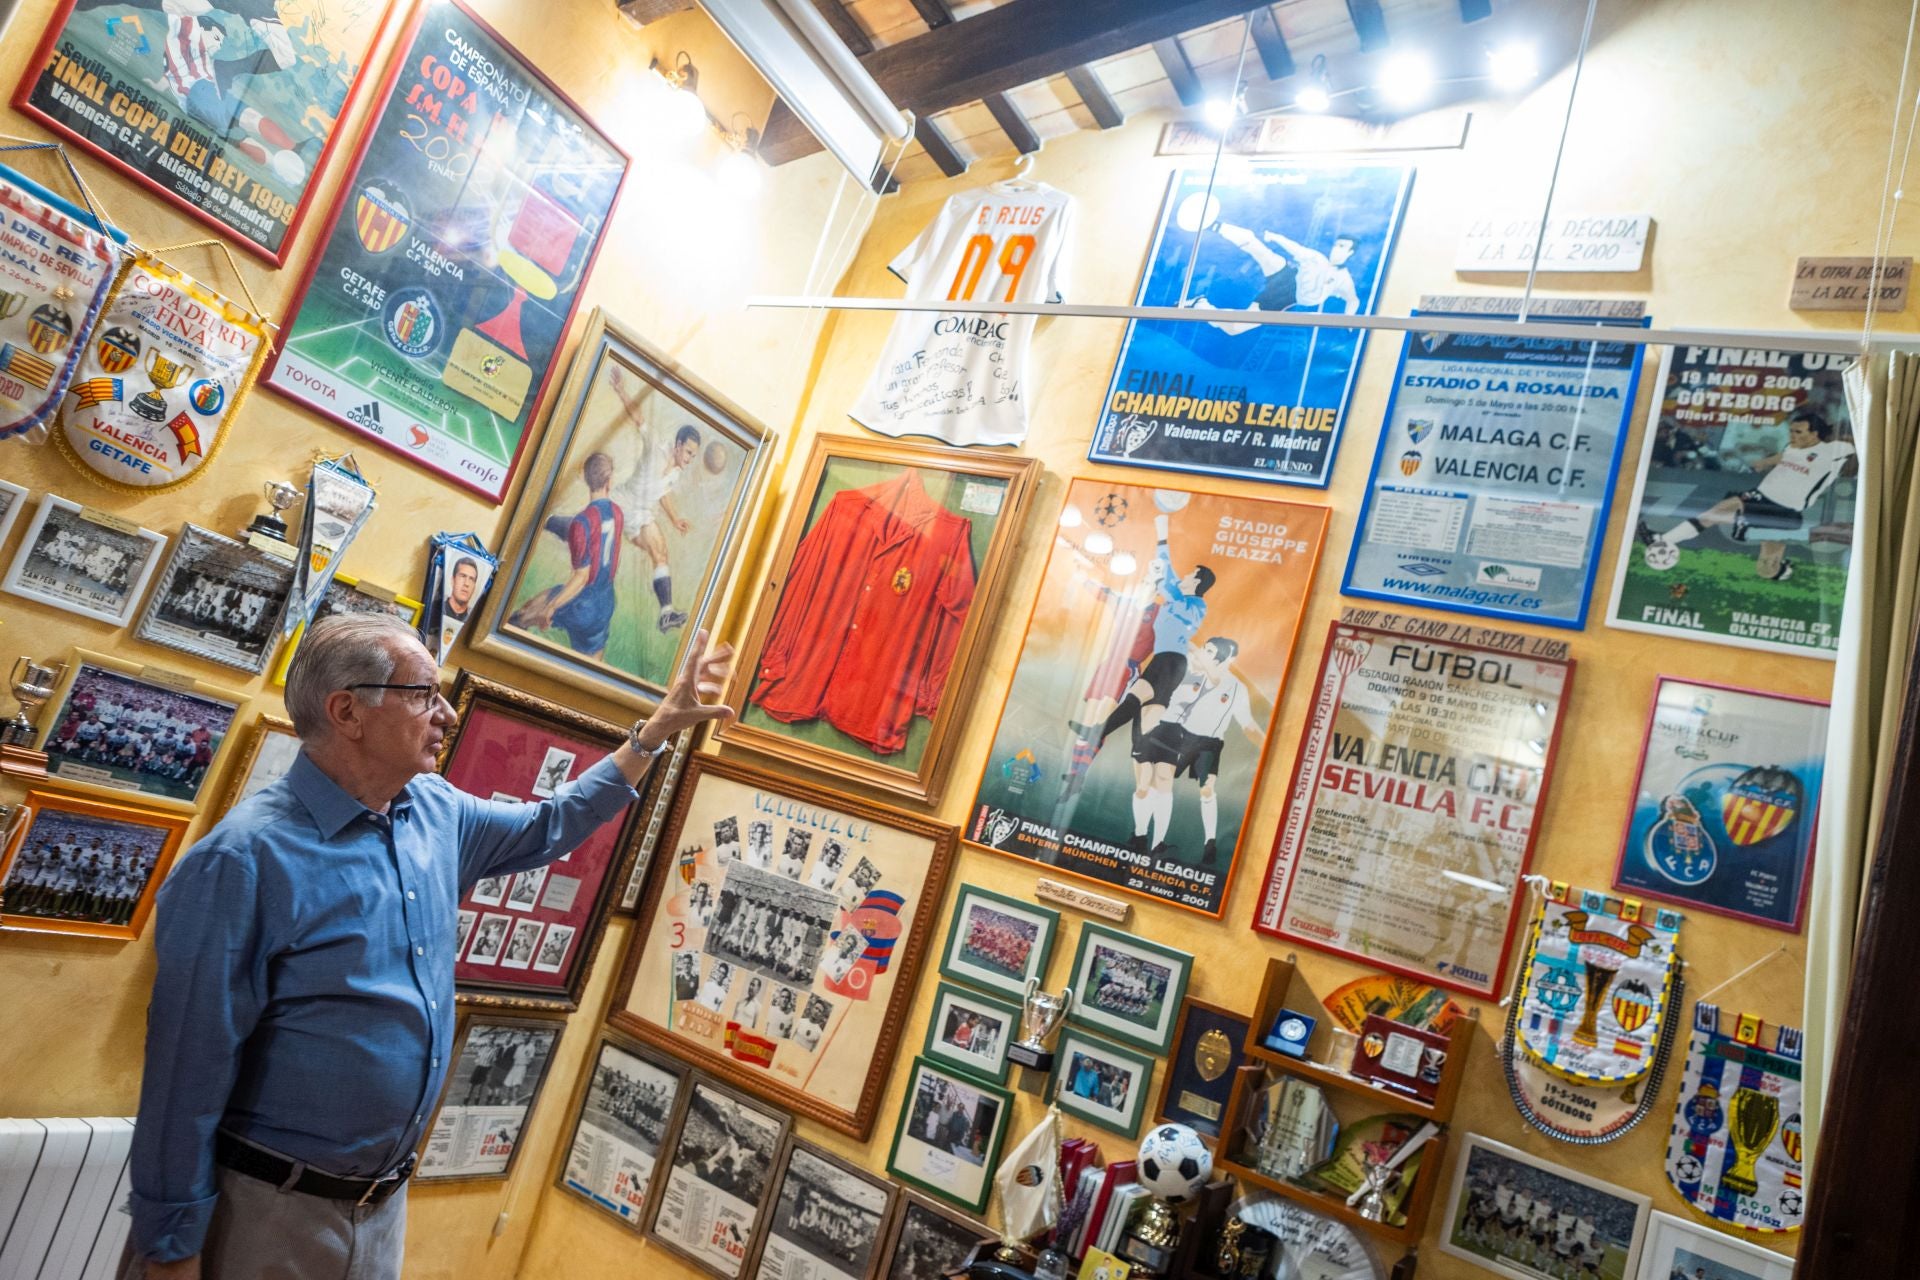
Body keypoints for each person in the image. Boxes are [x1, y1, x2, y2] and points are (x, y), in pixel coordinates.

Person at [124, 613, 735, 1280]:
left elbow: (550, 825)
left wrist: (652, 736)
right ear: (347, 711)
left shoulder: (435, 811)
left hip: (381, 1210)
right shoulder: (245, 859)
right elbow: (185, 1070)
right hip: (264, 1210)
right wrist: (172, 1249)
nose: (444, 713)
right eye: (423, 694)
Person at [1637, 408, 1855, 582]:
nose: (1792, 435)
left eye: (1798, 432)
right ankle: (1664, 539)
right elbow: (1784, 456)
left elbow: (1860, 441)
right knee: (1722, 509)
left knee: (1766, 561)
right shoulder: (1793, 447)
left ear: (1815, 434)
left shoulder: (1835, 451)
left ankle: (1779, 570)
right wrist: (1763, 463)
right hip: (1761, 495)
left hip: (1786, 508)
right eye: (1792, 430)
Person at [607, 366, 701, 634]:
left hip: (641, 514)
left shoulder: (676, 474)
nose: (690, 459)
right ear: (678, 444)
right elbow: (638, 418)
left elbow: (662, 494)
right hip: (620, 502)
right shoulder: (656, 446)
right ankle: (553, 522)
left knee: (661, 553)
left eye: (694, 456)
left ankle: (666, 614)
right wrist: (621, 389)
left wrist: (674, 519)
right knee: (584, 532)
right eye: (689, 452)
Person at [509, 452, 626, 659]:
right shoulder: (617, 513)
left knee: (520, 618)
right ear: (610, 480)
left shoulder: (582, 522)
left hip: (582, 603)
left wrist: (552, 607)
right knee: (589, 665)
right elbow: (593, 535)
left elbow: (581, 577)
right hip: (605, 602)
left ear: (585, 477)